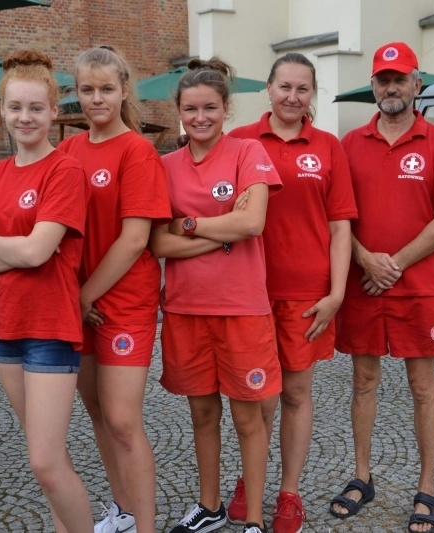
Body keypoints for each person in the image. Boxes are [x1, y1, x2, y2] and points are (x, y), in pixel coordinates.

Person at [330, 42, 434, 533]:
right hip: (363, 283)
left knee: (423, 388)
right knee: (363, 382)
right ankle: (362, 477)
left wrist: (394, 264)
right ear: (373, 86)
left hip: (419, 286)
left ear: (416, 84)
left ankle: (427, 488)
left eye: (399, 79)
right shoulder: (350, 143)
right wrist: (366, 259)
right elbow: (338, 216)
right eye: (383, 80)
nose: (391, 88)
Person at [0, 48, 93, 533]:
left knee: (44, 462)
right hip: (6, 326)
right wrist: (19, 247)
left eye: (36, 107)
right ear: (2, 110)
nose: (25, 117)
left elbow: (37, 252)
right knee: (49, 457)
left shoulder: (64, 170)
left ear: (54, 110)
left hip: (50, 328)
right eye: (15, 107)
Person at [149, 58, 283, 533]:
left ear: (226, 108)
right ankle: (210, 507)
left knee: (248, 418)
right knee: (203, 414)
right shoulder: (164, 166)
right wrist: (221, 231)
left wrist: (188, 224)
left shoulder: (248, 151)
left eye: (210, 107)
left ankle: (253, 518)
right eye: (191, 109)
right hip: (185, 308)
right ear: (179, 112)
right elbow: (158, 243)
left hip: (241, 307)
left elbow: (252, 222)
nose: (200, 117)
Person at [227, 52, 357, 533]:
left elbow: (340, 227)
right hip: (249, 291)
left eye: (303, 88)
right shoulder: (240, 141)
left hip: (307, 294)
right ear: (268, 88)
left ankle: (289, 492)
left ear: (312, 94)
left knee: (297, 394)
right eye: (285, 86)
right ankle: (251, 480)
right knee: (258, 397)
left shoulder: (327, 147)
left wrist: (337, 293)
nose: (292, 96)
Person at [57, 45, 171, 533]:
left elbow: (134, 240)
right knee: (98, 412)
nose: (97, 98)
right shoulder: (68, 151)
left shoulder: (137, 151)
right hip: (76, 302)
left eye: (106, 88)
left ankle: (145, 525)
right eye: (87, 89)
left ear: (124, 90)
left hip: (121, 303)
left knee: (123, 420)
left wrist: (85, 295)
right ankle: (121, 511)